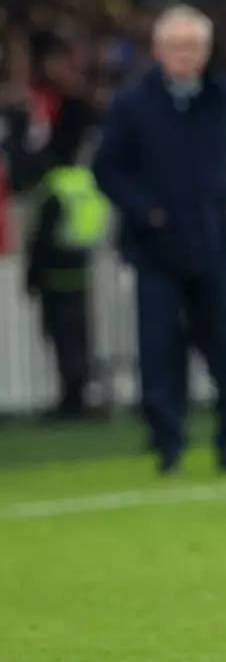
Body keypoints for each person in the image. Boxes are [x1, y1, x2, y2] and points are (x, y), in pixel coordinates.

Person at [93, 5, 226, 475]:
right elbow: (106, 167)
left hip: (214, 243)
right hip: (156, 248)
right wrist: (145, 211)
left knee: (225, 347)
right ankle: (167, 444)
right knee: (159, 348)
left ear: (207, 52)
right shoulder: (133, 101)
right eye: (176, 46)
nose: (185, 55)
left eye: (193, 46)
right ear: (158, 50)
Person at [24, 98, 107, 420]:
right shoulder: (86, 181)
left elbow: (41, 238)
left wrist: (32, 276)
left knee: (61, 337)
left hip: (55, 275)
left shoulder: (54, 184)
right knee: (79, 337)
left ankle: (71, 399)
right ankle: (79, 394)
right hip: (80, 270)